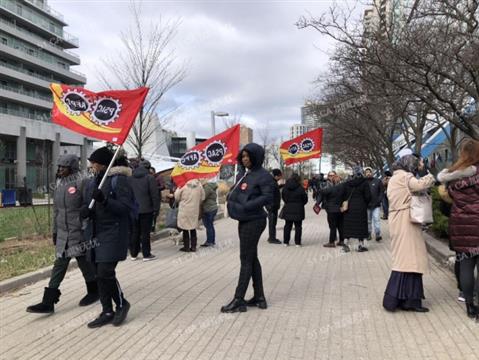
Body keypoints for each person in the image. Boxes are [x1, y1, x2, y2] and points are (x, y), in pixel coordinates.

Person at [26, 154, 98, 314]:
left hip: (78, 233)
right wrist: (54, 231)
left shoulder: (83, 182)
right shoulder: (58, 185)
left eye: (62, 167)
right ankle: (48, 302)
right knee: (60, 265)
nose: (59, 170)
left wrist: (85, 228)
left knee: (83, 263)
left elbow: (90, 207)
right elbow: (56, 211)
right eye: (58, 167)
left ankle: (94, 291)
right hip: (63, 234)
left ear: (72, 167)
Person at [81, 147, 133, 328]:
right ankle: (106, 310)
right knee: (99, 274)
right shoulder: (91, 182)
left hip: (112, 233)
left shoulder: (119, 181)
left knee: (105, 272)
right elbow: (88, 204)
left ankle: (121, 304)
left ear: (102, 164)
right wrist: (85, 211)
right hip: (94, 234)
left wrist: (105, 200)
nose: (91, 166)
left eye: (93, 163)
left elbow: (125, 208)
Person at [222, 143, 274, 313]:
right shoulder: (245, 174)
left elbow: (268, 197)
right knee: (252, 258)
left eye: (247, 156)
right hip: (244, 220)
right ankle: (259, 297)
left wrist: (247, 205)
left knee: (245, 259)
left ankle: (239, 299)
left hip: (254, 220)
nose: (244, 159)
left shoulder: (263, 175)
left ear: (255, 156)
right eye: (242, 156)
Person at [383, 153, 435, 313]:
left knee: (406, 259)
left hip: (398, 219)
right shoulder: (405, 177)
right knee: (410, 260)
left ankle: (404, 299)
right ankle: (407, 300)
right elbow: (421, 184)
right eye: (416, 164)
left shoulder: (395, 177)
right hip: (406, 221)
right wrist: (427, 171)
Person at [438, 139, 479, 320]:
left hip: (460, 225)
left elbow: (445, 203)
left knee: (465, 265)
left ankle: (469, 305)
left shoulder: (452, 176)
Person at [128, 160, 160, 261]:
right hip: (147, 209)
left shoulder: (130, 178)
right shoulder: (150, 178)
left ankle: (133, 254)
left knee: (135, 232)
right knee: (145, 232)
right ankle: (146, 254)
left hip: (133, 210)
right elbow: (154, 195)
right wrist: (156, 208)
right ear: (148, 168)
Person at [341, 166, 371, 252]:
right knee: (361, 226)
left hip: (349, 207)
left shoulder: (347, 183)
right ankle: (360, 245)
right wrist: (365, 203)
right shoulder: (364, 183)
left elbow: (343, 195)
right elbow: (368, 196)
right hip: (361, 207)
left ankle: (346, 244)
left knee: (348, 226)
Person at [175, 178, 205, 252]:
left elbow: (177, 197)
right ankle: (193, 246)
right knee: (193, 228)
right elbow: (203, 197)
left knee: (185, 228)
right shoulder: (199, 185)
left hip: (184, 209)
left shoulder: (182, 185)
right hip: (194, 209)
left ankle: (186, 247)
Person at [281, 173, 308, 247]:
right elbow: (305, 199)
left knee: (287, 226)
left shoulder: (285, 187)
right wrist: (300, 204)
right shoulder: (301, 188)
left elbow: (283, 197)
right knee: (298, 226)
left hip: (288, 208)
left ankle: (286, 242)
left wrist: (288, 202)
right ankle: (297, 243)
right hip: (298, 209)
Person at [321, 171, 345, 248]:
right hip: (340, 209)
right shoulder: (343, 188)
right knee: (340, 226)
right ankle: (342, 241)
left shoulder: (331, 189)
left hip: (331, 210)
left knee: (332, 226)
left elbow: (322, 192)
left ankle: (331, 242)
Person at [364, 167, 384, 242]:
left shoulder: (377, 181)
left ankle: (378, 234)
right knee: (368, 221)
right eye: (367, 172)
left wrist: (379, 201)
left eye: (369, 172)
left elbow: (381, 192)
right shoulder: (363, 182)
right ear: (365, 174)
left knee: (377, 220)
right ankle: (369, 234)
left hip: (376, 205)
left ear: (372, 173)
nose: (368, 173)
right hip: (367, 206)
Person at [200, 179, 219, 247]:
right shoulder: (210, 186)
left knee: (209, 225)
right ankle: (211, 240)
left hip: (209, 209)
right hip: (211, 208)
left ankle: (210, 241)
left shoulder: (207, 187)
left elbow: (203, 197)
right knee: (209, 225)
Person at [266, 169, 283, 244]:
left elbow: (275, 189)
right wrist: (271, 206)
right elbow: (271, 194)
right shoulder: (272, 182)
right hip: (272, 206)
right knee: (272, 223)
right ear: (276, 176)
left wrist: (281, 186)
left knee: (273, 223)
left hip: (272, 206)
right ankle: (272, 238)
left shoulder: (272, 181)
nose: (280, 178)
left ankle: (271, 237)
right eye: (279, 176)